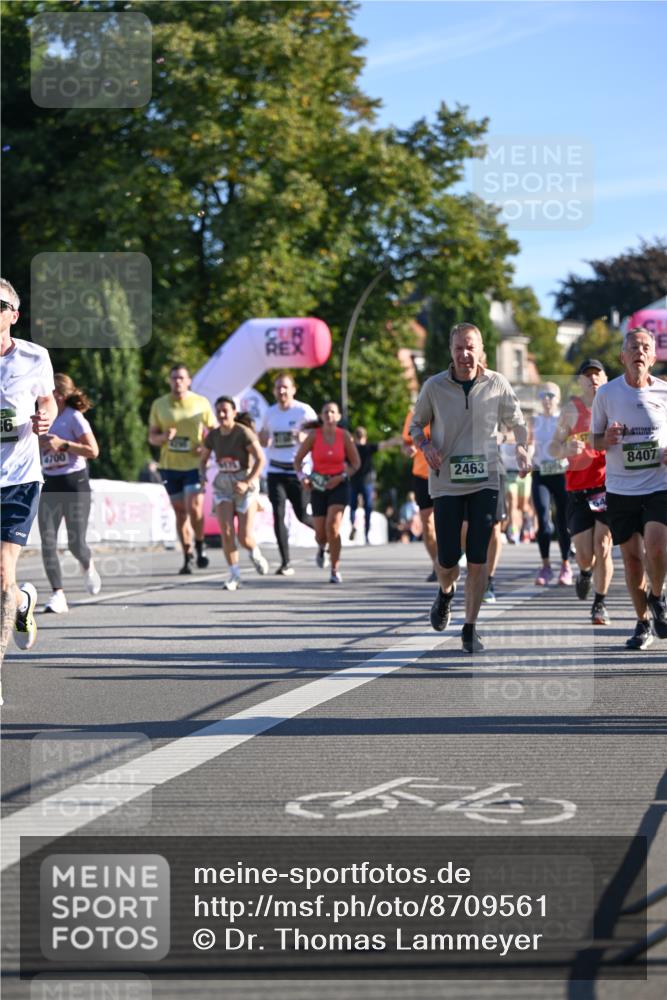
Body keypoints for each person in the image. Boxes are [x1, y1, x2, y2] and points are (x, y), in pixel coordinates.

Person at [410, 322, 529, 653]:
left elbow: (518, 422)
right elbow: (415, 425)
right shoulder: (434, 387)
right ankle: (446, 593)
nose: (465, 354)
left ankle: (470, 626)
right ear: (451, 351)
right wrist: (426, 445)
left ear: (480, 350)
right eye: (459, 348)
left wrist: (521, 447)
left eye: (470, 347)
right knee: (448, 558)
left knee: (478, 556)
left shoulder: (497, 383)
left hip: (486, 479)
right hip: (446, 482)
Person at [592, 328, 667, 650]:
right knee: (633, 560)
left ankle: (657, 595)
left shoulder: (665, 393)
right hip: (621, 488)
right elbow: (593, 439)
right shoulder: (607, 394)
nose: (639, 351)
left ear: (653, 357)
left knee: (657, 547)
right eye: (633, 346)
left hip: (659, 484)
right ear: (623, 356)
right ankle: (642, 622)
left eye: (645, 347)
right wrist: (605, 440)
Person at [0, 278, 57, 705]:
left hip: (19, 477)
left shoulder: (35, 356)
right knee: (6, 583)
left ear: (14, 315)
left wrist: (44, 418)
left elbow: (48, 401)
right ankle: (22, 602)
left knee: (2, 570)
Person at [549, 359, 613, 625]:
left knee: (603, 546)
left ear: (606, 379)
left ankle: (599, 604)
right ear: (580, 382)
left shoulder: (615, 407)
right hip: (577, 489)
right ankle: (585, 572)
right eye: (587, 376)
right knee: (585, 553)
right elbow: (553, 447)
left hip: (606, 487)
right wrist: (565, 451)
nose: (593, 379)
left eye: (598, 375)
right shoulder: (570, 411)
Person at [38, 374, 101, 614]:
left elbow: (93, 451)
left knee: (76, 543)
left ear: (59, 396)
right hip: (49, 484)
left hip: (75, 485)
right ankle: (58, 594)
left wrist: (62, 444)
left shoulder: (73, 418)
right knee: (48, 542)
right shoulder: (40, 419)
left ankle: (87, 564)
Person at [148, 364, 216, 574]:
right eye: (174, 378)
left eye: (181, 378)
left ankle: (200, 543)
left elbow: (213, 432)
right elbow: (152, 437)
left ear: (189, 381)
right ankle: (187, 556)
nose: (177, 381)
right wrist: (163, 438)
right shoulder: (160, 405)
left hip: (194, 466)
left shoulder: (200, 403)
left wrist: (205, 447)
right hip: (170, 467)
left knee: (194, 507)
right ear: (169, 381)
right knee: (180, 513)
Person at [199, 397, 269, 591]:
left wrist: (247, 482)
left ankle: (254, 552)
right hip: (223, 484)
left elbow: (260, 459)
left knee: (244, 536)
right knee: (227, 531)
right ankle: (234, 574)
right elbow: (203, 458)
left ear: (234, 412)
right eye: (219, 411)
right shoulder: (213, 436)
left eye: (225, 411)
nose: (222, 415)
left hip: (244, 482)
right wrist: (202, 474)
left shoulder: (243, 433)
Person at [294, 401, 360, 584]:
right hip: (318, 485)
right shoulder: (314, 436)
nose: (329, 415)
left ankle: (334, 568)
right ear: (321, 417)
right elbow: (298, 460)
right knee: (321, 533)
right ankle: (322, 547)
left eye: (333, 412)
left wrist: (341, 476)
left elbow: (356, 464)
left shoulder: (344, 436)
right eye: (326, 412)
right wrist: (303, 478)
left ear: (338, 417)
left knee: (333, 526)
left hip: (338, 484)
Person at [259, 373, 318, 576]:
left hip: (298, 471)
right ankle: (285, 562)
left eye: (285, 387)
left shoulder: (304, 411)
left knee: (302, 515)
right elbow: (262, 437)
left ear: (293, 389)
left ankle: (324, 537)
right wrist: (263, 438)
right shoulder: (270, 412)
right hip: (275, 469)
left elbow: (318, 434)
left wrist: (303, 437)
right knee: (278, 515)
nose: (281, 391)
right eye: (278, 388)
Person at [528, 382, 573, 587]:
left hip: (561, 474)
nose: (546, 399)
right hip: (540, 474)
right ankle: (545, 566)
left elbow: (571, 445)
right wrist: (526, 460)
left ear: (558, 398)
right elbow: (529, 445)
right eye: (542, 395)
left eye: (550, 395)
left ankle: (565, 565)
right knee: (544, 520)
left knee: (563, 522)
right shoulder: (534, 421)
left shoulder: (563, 421)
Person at [402, 407, 438, 581]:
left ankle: (451, 560)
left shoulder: (449, 407)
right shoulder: (414, 412)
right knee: (428, 524)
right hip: (422, 475)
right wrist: (408, 449)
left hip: (445, 474)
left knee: (450, 522)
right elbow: (406, 442)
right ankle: (437, 564)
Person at [348, 426, 401, 543]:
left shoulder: (351, 448)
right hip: (367, 482)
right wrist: (397, 440)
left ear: (354, 437)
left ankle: (353, 524)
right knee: (368, 508)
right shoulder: (368, 447)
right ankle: (366, 535)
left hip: (354, 481)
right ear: (365, 437)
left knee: (352, 506)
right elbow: (384, 445)